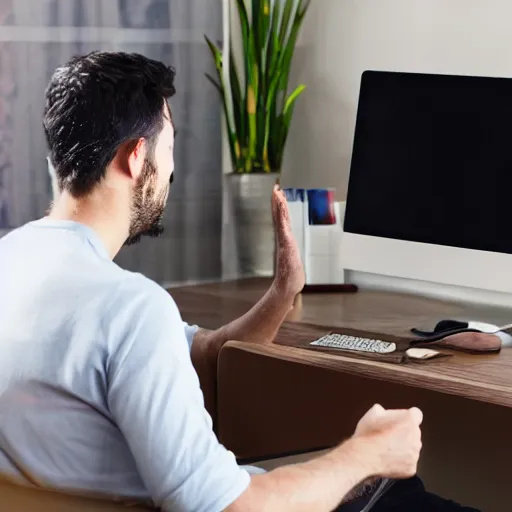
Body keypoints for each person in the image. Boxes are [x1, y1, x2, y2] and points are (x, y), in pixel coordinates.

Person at [0, 51, 480, 512]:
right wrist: (367, 455)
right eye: (170, 148)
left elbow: (201, 355)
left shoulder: (15, 263)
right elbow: (228, 507)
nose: (170, 172)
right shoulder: (131, 308)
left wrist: (282, 293)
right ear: (136, 157)